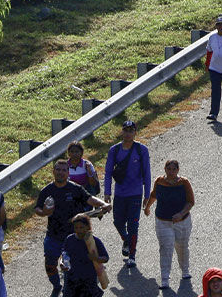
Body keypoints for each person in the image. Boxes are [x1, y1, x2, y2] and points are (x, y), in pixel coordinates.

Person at [35, 160, 109, 297]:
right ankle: (57, 286)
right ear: (53, 172)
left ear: (68, 173)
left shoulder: (75, 188)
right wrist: (43, 212)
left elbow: (89, 199)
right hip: (54, 236)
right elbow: (37, 209)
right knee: (50, 266)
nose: (61, 172)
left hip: (76, 237)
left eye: (64, 170)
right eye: (58, 170)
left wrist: (103, 204)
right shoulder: (47, 190)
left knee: (76, 267)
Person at [103, 120, 151, 269]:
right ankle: (127, 240)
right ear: (122, 131)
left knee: (133, 225)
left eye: (131, 130)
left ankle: (132, 255)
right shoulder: (114, 150)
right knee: (117, 222)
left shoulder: (141, 149)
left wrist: (147, 195)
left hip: (136, 194)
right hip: (120, 194)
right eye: (126, 130)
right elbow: (108, 172)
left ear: (135, 132)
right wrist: (107, 193)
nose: (128, 133)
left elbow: (147, 173)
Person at [142, 160, 194, 289]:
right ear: (165, 169)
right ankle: (165, 279)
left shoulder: (184, 182)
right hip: (163, 221)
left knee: (182, 247)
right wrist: (147, 207)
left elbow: (190, 202)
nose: (171, 172)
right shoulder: (159, 181)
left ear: (178, 170)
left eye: (174, 169)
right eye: (169, 169)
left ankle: (185, 271)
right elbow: (154, 195)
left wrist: (181, 214)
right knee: (166, 248)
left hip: (182, 222)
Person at [61, 214, 109, 297]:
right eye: (76, 228)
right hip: (71, 280)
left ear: (88, 227)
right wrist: (61, 263)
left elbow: (105, 258)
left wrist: (96, 258)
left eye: (81, 227)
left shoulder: (94, 241)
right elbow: (64, 254)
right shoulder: (70, 239)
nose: (79, 230)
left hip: (88, 280)